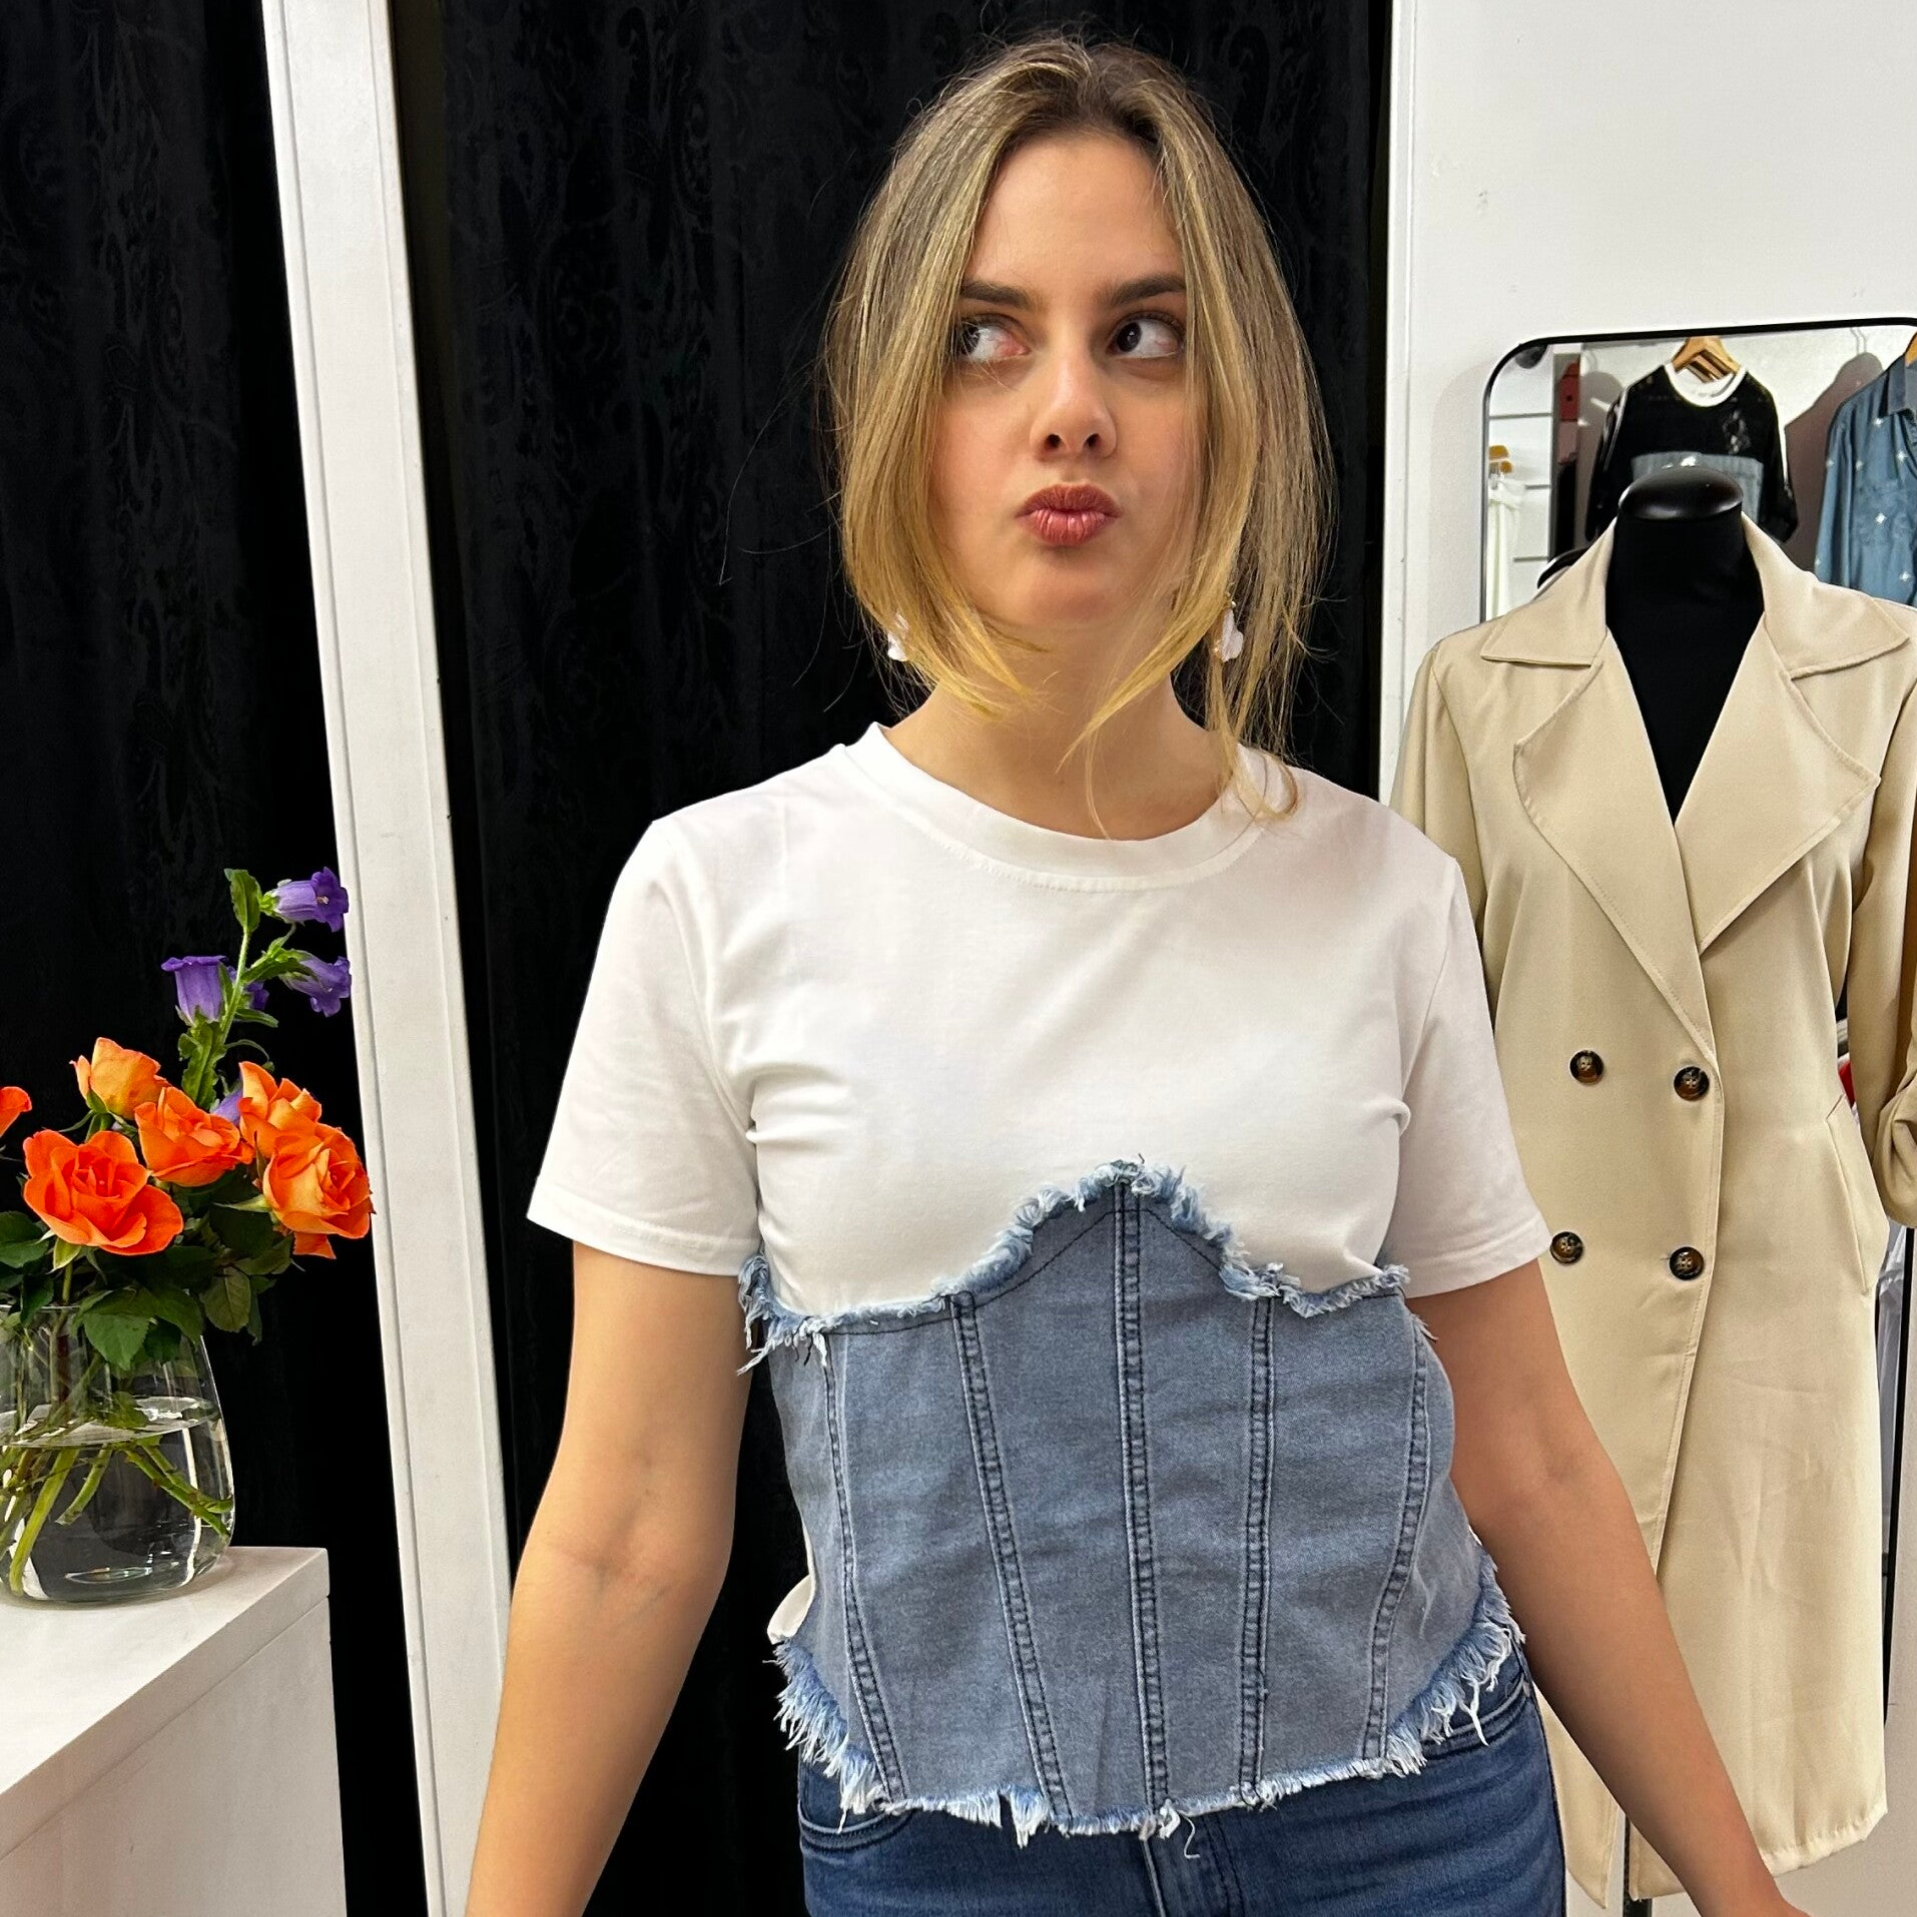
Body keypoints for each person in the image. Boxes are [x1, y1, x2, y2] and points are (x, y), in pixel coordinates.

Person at [464, 29, 1810, 1917]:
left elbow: (1530, 1458)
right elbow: (623, 1534)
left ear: (1225, 406)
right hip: (948, 1872)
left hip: (1408, 1847)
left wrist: (1746, 1894)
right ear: (899, 407)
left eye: (1143, 335)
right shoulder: (717, 899)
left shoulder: (1381, 894)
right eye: (986, 336)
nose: (1070, 407)